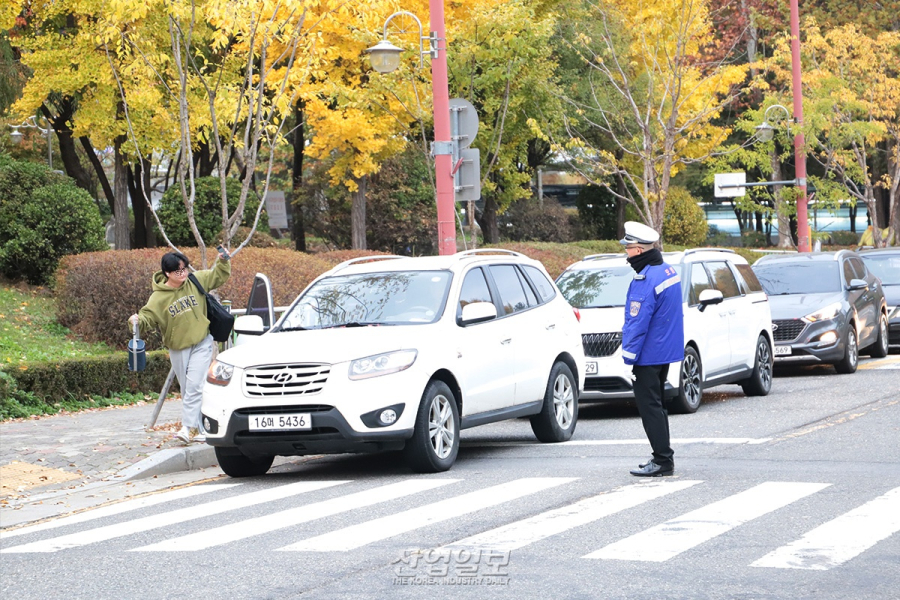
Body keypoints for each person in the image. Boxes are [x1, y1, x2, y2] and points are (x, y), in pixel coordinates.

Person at [129, 248, 231, 444]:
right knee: (188, 388)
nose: (183, 273)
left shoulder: (195, 280)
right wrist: (136, 321)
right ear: (167, 273)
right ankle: (201, 428)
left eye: (184, 268)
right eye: (178, 271)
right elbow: (147, 317)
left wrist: (223, 261)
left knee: (194, 385)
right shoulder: (158, 297)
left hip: (202, 341)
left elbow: (218, 275)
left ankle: (187, 427)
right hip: (178, 347)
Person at [620, 222, 684, 477]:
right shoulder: (668, 271)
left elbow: (637, 322)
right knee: (657, 405)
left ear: (637, 250)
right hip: (664, 351)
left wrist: (628, 357)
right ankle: (662, 456)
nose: (626, 252)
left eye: (628, 248)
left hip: (648, 354)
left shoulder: (645, 278)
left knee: (650, 407)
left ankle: (662, 459)